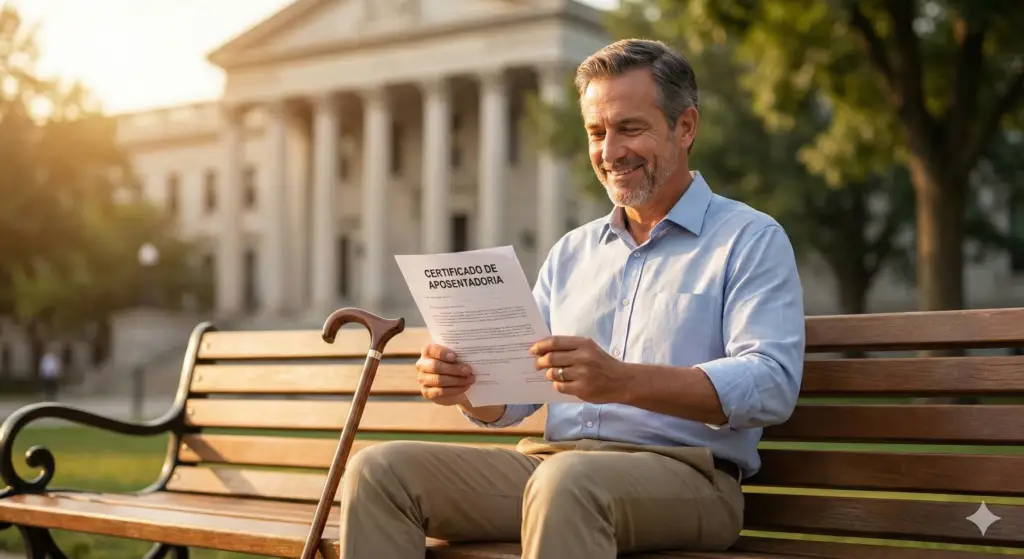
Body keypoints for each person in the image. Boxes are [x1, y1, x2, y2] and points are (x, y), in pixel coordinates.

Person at [336, 38, 805, 558]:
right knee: (380, 472)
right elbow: (516, 397)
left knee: (567, 484)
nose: (609, 153)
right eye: (596, 133)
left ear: (685, 127)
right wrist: (468, 385)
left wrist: (624, 381)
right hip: (552, 466)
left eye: (630, 128)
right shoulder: (572, 252)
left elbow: (771, 382)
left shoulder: (749, 239)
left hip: (689, 478)